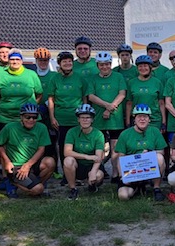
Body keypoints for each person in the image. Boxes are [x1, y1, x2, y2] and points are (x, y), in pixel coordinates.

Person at [0, 103, 55, 197]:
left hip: (32, 163)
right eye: (27, 117)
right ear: (21, 117)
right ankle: (14, 182)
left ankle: (34, 184)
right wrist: (6, 161)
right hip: (16, 165)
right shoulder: (10, 127)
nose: (31, 120)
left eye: (34, 117)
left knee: (50, 162)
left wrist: (28, 165)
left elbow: (41, 149)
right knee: (38, 189)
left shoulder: (42, 127)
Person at [87, 51, 127, 184]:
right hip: (99, 119)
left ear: (111, 64)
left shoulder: (118, 76)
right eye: (101, 65)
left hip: (116, 119)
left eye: (107, 64)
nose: (105, 67)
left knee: (116, 148)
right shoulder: (93, 78)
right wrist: (107, 106)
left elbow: (122, 94)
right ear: (97, 65)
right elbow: (91, 96)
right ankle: (100, 171)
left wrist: (110, 109)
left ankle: (116, 173)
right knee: (100, 148)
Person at [47, 51, 88, 176]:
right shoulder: (54, 79)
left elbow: (84, 98)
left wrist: (84, 116)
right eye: (64, 61)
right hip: (61, 118)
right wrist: (52, 117)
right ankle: (66, 174)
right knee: (63, 146)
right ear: (59, 64)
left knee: (78, 146)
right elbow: (51, 99)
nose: (68, 63)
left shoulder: (80, 78)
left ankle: (79, 173)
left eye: (70, 61)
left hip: (77, 118)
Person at [115, 104, 167, 201]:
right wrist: (122, 175)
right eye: (139, 116)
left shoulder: (155, 131)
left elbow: (161, 152)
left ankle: (156, 188)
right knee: (123, 196)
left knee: (159, 158)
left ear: (149, 119)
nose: (142, 119)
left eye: (145, 117)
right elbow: (120, 157)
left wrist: (149, 154)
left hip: (147, 165)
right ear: (134, 119)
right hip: (132, 168)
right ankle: (138, 187)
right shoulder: (125, 134)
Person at [63, 104, 106, 200]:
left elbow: (98, 157)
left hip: (93, 165)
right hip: (78, 164)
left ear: (92, 119)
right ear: (78, 119)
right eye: (82, 117)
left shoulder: (98, 134)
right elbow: (67, 152)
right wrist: (87, 156)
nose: (85, 120)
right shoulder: (71, 132)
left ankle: (92, 185)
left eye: (88, 117)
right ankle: (73, 189)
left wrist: (93, 172)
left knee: (98, 175)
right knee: (68, 160)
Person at [0, 49, 42, 132]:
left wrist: (32, 106)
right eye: (12, 59)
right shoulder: (0, 76)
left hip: (28, 118)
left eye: (17, 59)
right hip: (5, 118)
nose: (15, 62)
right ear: (8, 60)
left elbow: (39, 94)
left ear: (22, 61)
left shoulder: (31, 74)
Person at [126, 55, 165, 131]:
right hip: (137, 120)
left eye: (145, 66)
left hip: (154, 119)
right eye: (140, 66)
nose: (143, 68)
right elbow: (129, 103)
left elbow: (161, 103)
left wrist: (163, 122)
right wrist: (127, 122)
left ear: (150, 67)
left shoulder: (157, 82)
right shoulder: (131, 83)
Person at [34, 47, 58, 164]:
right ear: (36, 61)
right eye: (40, 60)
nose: (43, 63)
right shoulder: (32, 75)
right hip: (36, 111)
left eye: (45, 61)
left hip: (51, 111)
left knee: (52, 138)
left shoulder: (54, 75)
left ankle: (53, 166)